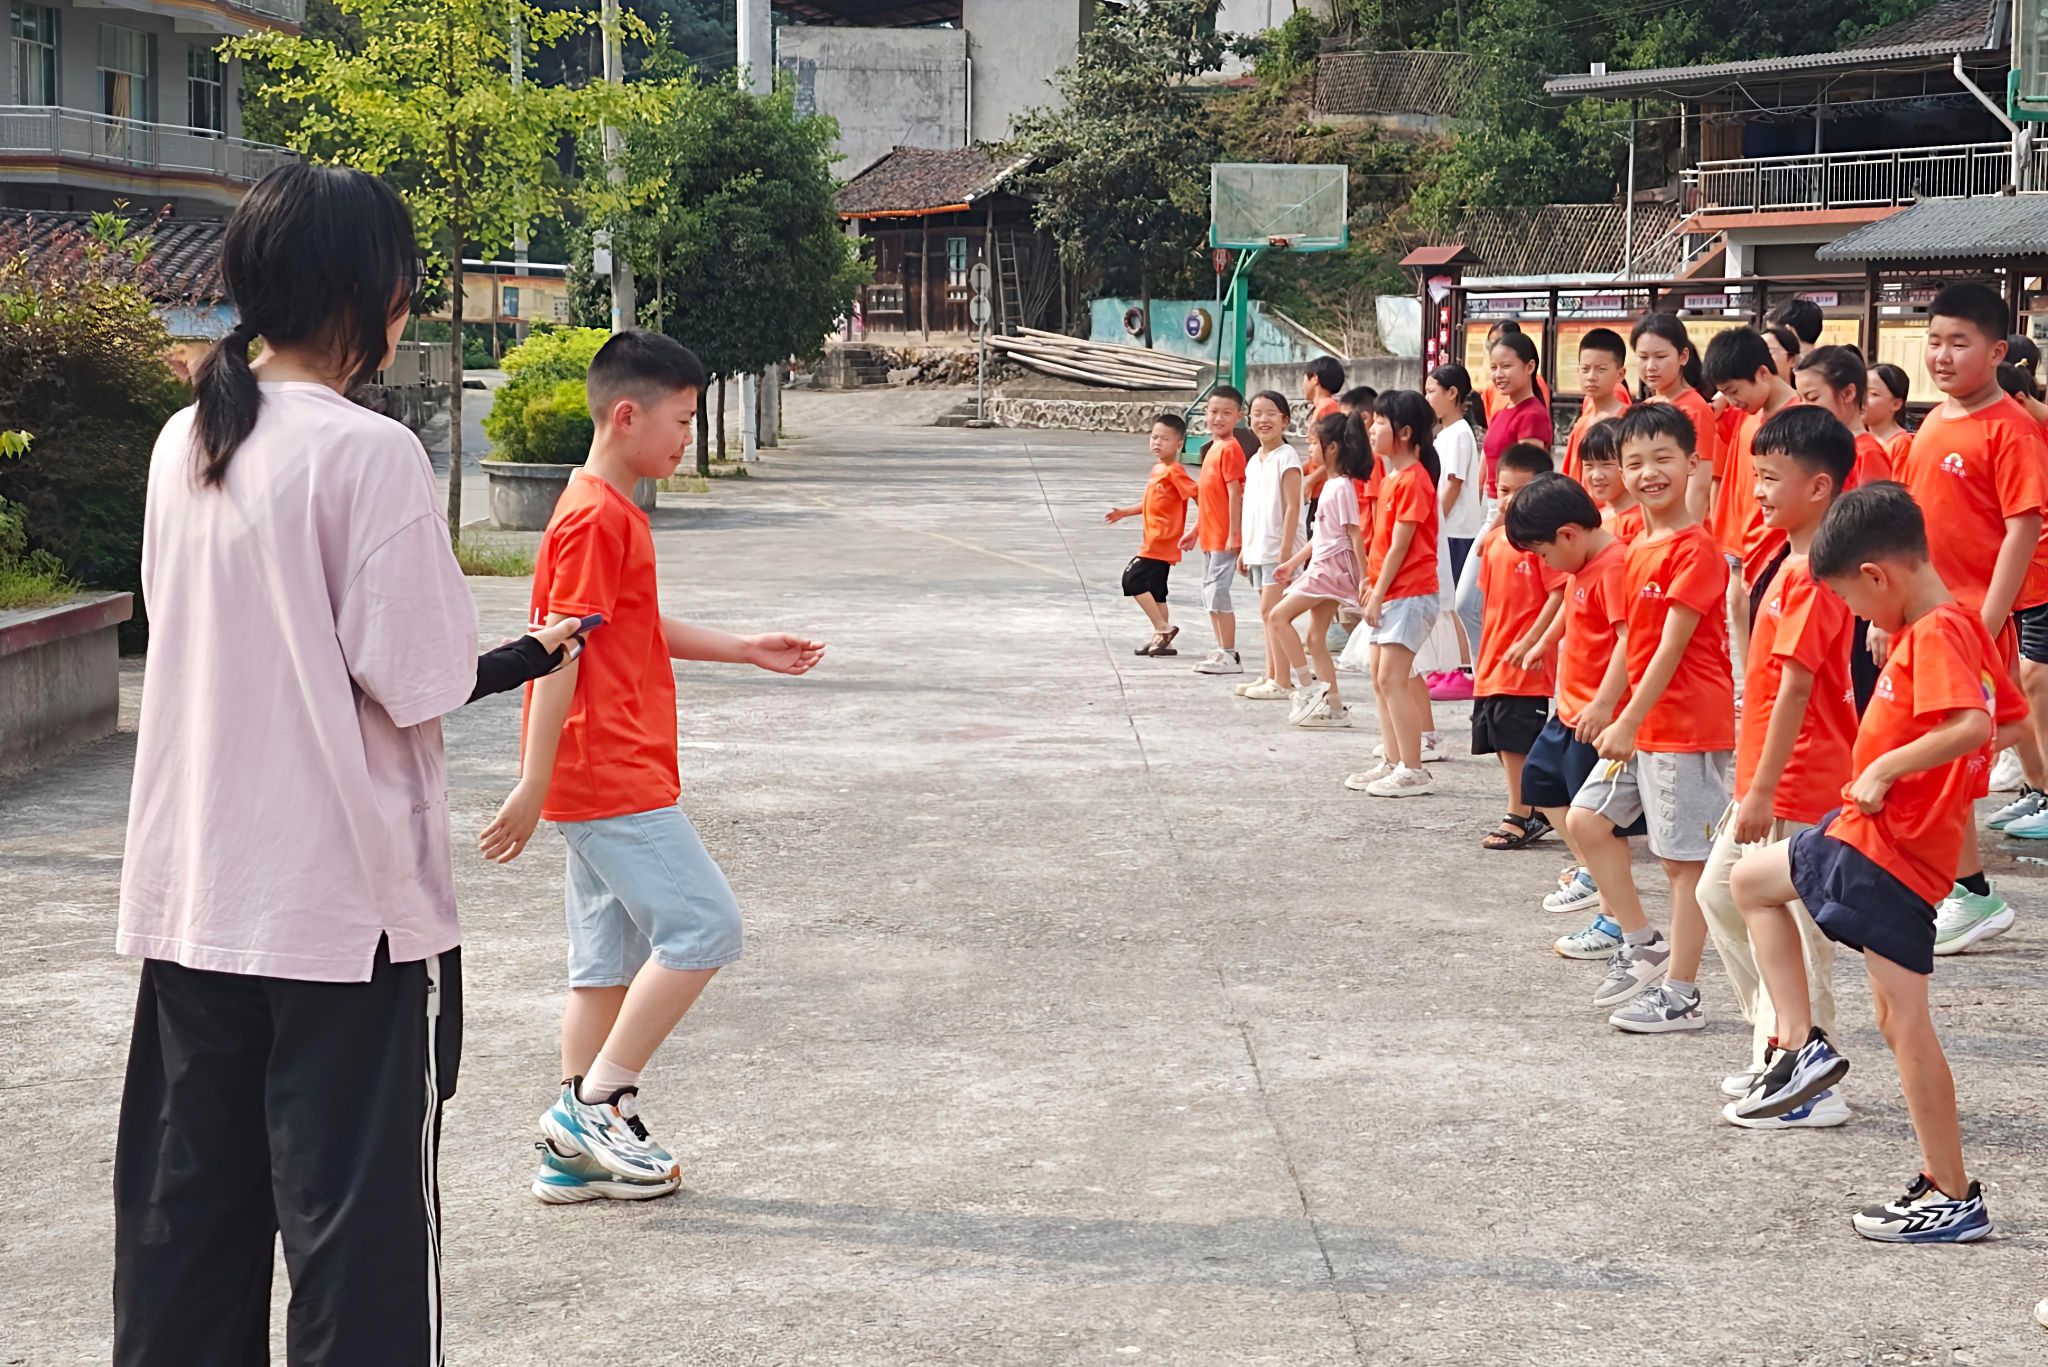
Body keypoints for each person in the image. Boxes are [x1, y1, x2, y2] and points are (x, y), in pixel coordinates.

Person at [113, 163, 587, 1364]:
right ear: (376, 294)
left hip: (192, 899)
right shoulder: (366, 454)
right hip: (341, 919)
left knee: (184, 1233)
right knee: (354, 1249)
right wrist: (528, 654)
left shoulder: (187, 439)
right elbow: (418, 679)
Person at [480, 329, 825, 1204]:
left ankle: (571, 1155)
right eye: (681, 420)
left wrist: (746, 648)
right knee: (707, 926)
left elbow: (626, 626)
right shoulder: (598, 515)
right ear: (626, 414)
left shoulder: (604, 506)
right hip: (608, 771)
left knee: (603, 962)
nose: (686, 436)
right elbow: (557, 653)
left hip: (598, 771)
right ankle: (595, 1104)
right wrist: (532, 777)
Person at [1728, 483, 2026, 1242]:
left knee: (1905, 1022)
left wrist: (1890, 766)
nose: (1860, 621)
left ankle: (1948, 1188)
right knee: (1751, 881)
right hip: (1882, 844)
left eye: (1855, 604)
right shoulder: (1953, 627)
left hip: (1890, 850)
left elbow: (1975, 722)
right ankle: (1801, 1046)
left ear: (1878, 576)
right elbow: (2009, 721)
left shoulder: (1939, 633)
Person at [1695, 407, 1857, 1118]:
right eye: (1754, 476)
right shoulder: (1788, 562)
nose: (1756, 490)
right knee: (1722, 895)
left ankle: (1808, 1068)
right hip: (1770, 771)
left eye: (1769, 478)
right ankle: (1780, 1043)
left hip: (1798, 777)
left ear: (1819, 487)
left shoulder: (1817, 573)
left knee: (1791, 925)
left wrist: (1760, 789)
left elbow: (1795, 685)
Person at [1566, 402, 1734, 1032]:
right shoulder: (1637, 543)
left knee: (1682, 863)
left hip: (1685, 723)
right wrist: (1606, 703)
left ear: (1692, 463)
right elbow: (1633, 641)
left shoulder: (1697, 550)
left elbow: (1673, 644)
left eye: (1663, 458)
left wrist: (1628, 718)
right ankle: (1641, 941)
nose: (1648, 473)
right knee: (1586, 820)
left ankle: (1683, 992)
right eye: (1633, 462)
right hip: (1643, 719)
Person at [1893, 283, 2046, 953]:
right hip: (1922, 621)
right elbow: (1916, 528)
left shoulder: (2008, 427)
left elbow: (2023, 529)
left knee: (1952, 763)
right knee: (1927, 760)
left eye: (1959, 342)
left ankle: (1974, 894)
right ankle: (1951, 884)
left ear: (1997, 350)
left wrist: (1984, 625)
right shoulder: (1935, 421)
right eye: (1934, 340)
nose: (1943, 355)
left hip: (1967, 626)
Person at [1504, 475, 1646, 951]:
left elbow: (1630, 641)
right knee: (1540, 785)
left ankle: (1613, 916)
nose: (1545, 564)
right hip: (1569, 709)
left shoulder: (1613, 566)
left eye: (1543, 554)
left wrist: (1606, 704)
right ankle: (1594, 872)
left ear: (1568, 534)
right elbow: (1569, 606)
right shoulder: (1583, 564)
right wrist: (1542, 642)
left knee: (1600, 821)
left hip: (1595, 717)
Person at [1349, 390, 1443, 797]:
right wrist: (1373, 583)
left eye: (1380, 423)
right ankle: (1393, 759)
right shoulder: (1391, 478)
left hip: (1411, 593)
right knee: (1380, 678)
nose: (1372, 429)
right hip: (1392, 592)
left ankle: (1413, 768)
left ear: (1404, 432)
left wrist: (1377, 591)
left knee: (1392, 678)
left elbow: (1402, 547)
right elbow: (1385, 544)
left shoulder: (1414, 480)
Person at [1472, 448, 1566, 850]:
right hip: (1494, 657)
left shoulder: (1543, 547)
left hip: (1525, 662)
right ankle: (1531, 806)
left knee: (1517, 739)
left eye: (1521, 491)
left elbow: (1559, 594)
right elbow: (1490, 601)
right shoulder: (1495, 541)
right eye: (1504, 489)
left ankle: (1522, 812)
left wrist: (1533, 641)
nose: (1510, 500)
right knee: (1497, 736)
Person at [1273, 410, 1372, 729]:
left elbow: (1354, 533)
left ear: (1331, 448)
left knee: (1278, 617)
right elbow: (1321, 536)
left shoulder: (1340, 487)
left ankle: (1307, 687)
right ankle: (1334, 706)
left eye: (1314, 444)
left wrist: (1364, 575)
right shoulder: (1332, 486)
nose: (1310, 450)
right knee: (1315, 639)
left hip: (1329, 570)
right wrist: (1292, 563)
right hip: (1324, 566)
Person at [1234, 391, 1311, 701]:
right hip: (1258, 548)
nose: (1263, 419)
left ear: (1285, 420)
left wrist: (1284, 552)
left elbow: (1293, 506)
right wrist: (1244, 548)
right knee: (1266, 613)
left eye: (1270, 413)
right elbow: (1251, 507)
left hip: (1278, 550)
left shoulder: (1287, 458)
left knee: (1272, 611)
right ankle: (1271, 674)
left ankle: (1283, 679)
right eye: (1256, 413)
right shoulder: (1255, 460)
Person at [1107, 414, 1201, 656]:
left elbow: (1199, 496)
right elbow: (1151, 503)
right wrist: (1124, 512)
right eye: (1154, 437)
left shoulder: (1174, 471)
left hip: (1161, 542)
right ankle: (1161, 640)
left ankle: (1163, 627)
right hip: (1154, 540)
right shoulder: (1158, 469)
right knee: (1157, 591)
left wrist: (1196, 529)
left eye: (1165, 439)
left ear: (1179, 444)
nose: (1158, 443)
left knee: (1132, 580)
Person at [1427, 362, 1485, 697]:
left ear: (1452, 394)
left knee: (1458, 603)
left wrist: (1434, 521)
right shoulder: (1445, 434)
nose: (1428, 397)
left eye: (1432, 391)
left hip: (1457, 529)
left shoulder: (1461, 433)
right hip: (1447, 528)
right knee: (1446, 601)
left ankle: (1464, 669)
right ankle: (1449, 664)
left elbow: (1452, 485)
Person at [1632, 312, 1721, 524]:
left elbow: (1698, 486)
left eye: (1660, 357)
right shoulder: (1646, 408)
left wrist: (1687, 539)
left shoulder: (1695, 409)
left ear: (1683, 357)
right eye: (1643, 357)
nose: (1651, 366)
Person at [1184, 387, 1249, 675]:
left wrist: (1235, 535)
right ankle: (1221, 647)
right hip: (1210, 536)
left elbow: (1236, 494)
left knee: (1218, 594)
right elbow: (1211, 498)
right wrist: (1195, 530)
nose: (1218, 417)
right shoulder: (1212, 449)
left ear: (1238, 416)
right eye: (1213, 411)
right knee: (1209, 594)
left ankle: (1230, 653)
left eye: (1226, 412)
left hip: (1223, 537)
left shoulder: (1232, 449)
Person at [1482, 329, 1552, 502]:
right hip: (1496, 502)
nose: (1498, 374)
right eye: (1493, 367)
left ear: (1530, 367)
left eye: (1506, 366)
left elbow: (1527, 482)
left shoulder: (1532, 415)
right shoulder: (1501, 413)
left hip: (1513, 505)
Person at [1560, 327, 1630, 485]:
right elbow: (1571, 477)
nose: (1591, 377)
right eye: (1585, 369)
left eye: (1601, 369)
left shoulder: (1630, 423)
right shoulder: (1581, 425)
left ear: (1620, 374)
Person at [1579, 418, 1643, 545]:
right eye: (1589, 466)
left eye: (1606, 464)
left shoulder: (1641, 521)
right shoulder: (1596, 517)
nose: (1596, 475)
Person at [1481, 320, 1553, 420]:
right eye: (1490, 345)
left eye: (1500, 343)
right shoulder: (1492, 386)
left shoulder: (1534, 381)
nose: (1495, 350)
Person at [1866, 361, 1916, 470]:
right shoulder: (1859, 439)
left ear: (1896, 404)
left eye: (1873, 394)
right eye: (1861, 391)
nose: (1862, 399)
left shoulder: (1901, 444)